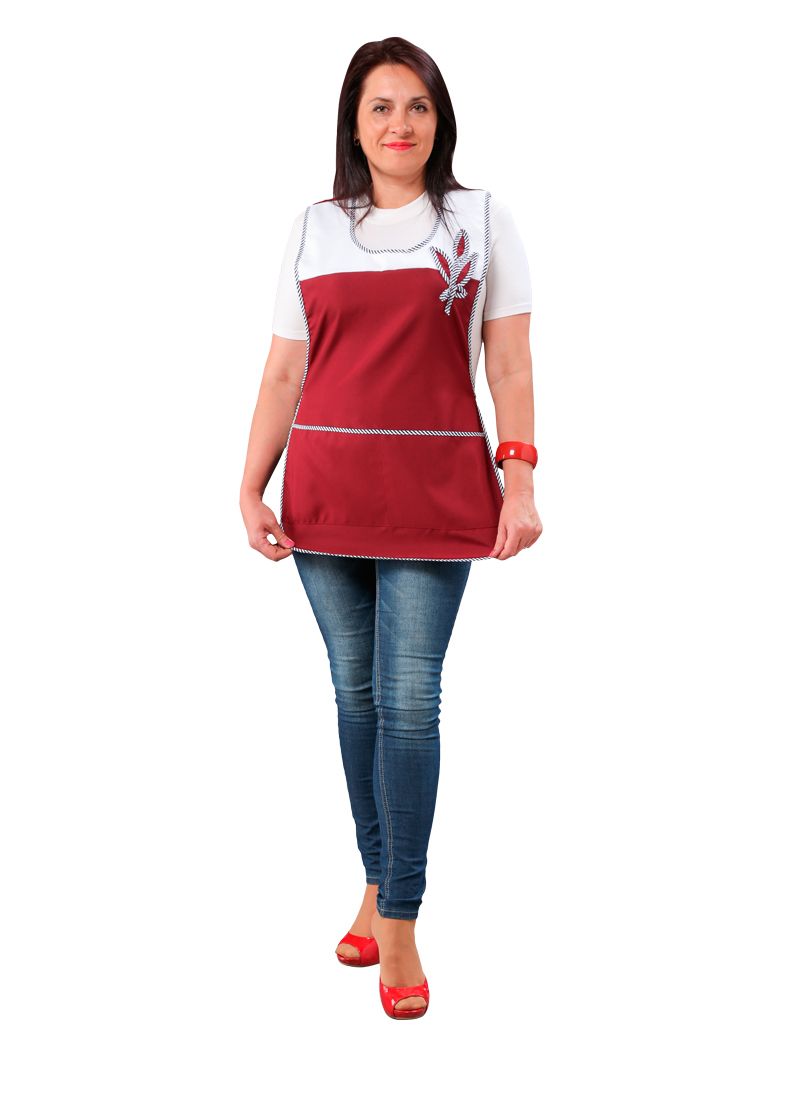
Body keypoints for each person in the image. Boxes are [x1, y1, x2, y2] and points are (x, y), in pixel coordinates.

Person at [240, 36, 543, 1020]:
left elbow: (508, 363)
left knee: (409, 702)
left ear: (438, 120)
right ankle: (375, 880)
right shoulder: (315, 228)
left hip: (436, 498)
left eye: (417, 106)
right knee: (356, 697)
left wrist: (519, 481)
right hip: (324, 501)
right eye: (380, 107)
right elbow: (284, 370)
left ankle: (401, 917)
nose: (399, 124)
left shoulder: (480, 221)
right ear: (354, 122)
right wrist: (250, 486)